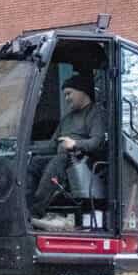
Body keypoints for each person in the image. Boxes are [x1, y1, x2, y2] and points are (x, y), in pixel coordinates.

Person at [26, 72, 106, 230]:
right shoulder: (67, 118)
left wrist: (75, 144)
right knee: (34, 163)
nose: (66, 98)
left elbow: (97, 142)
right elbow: (51, 145)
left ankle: (35, 212)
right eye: (65, 95)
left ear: (82, 91)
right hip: (61, 160)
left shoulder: (95, 114)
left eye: (69, 93)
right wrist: (26, 148)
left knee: (58, 161)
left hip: (82, 163)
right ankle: (25, 208)